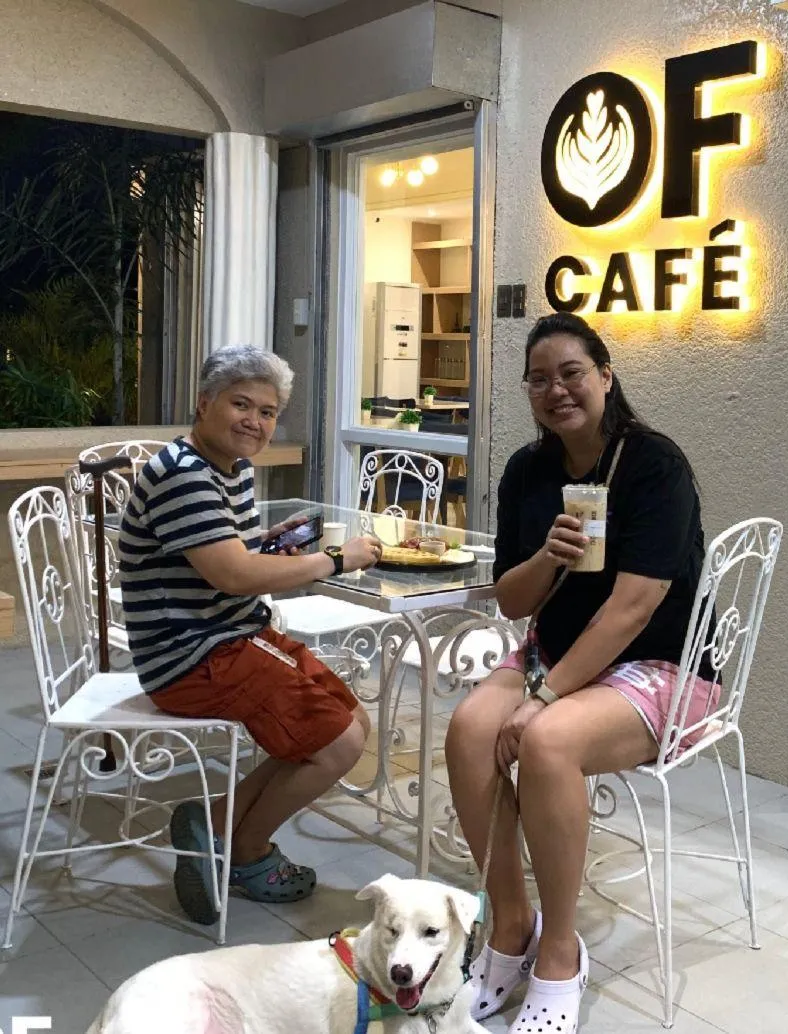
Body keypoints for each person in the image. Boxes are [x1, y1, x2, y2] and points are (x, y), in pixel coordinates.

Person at [444, 313, 718, 1034]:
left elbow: (634, 607)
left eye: (571, 373)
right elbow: (511, 600)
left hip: (660, 664)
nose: (556, 390)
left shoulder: (653, 465)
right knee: (469, 729)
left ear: (605, 376)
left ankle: (560, 952)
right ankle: (512, 924)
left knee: (547, 742)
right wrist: (549, 555)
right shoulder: (527, 471)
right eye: (539, 379)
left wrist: (544, 698)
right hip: (555, 652)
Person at [118, 344, 383, 924]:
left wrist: (269, 542)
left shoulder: (229, 467)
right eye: (241, 404)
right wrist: (335, 560)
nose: (254, 422)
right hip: (193, 656)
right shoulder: (184, 476)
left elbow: (226, 555)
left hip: (228, 636)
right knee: (339, 743)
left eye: (267, 412)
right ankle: (246, 851)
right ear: (204, 403)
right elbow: (234, 576)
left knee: (352, 722)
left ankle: (214, 820)